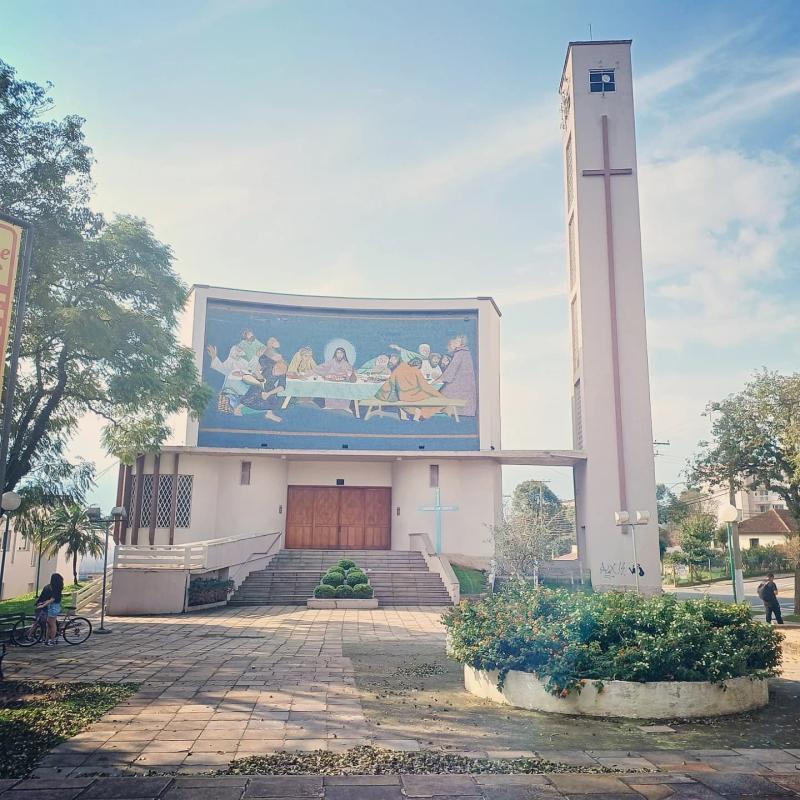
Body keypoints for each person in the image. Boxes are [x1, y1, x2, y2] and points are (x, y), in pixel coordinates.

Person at [376, 357, 446, 420]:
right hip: (412, 396)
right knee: (435, 399)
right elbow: (425, 387)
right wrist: (438, 395)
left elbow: (391, 381)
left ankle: (411, 414)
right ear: (418, 365)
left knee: (427, 398)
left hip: (401, 395)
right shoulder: (416, 371)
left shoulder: (400, 368)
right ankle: (423, 415)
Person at [439, 335, 477, 416]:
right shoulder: (466, 352)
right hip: (466, 383)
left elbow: (451, 371)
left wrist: (441, 379)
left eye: (456, 342)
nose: (452, 345)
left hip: (459, 383)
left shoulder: (459, 353)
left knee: (443, 392)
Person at [34, 573, 64, 646]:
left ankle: (52, 641)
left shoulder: (56, 589)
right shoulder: (55, 588)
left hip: (54, 607)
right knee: (49, 625)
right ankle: (47, 640)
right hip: (52, 607)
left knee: (52, 624)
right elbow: (50, 600)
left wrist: (43, 605)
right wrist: (43, 603)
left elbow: (52, 599)